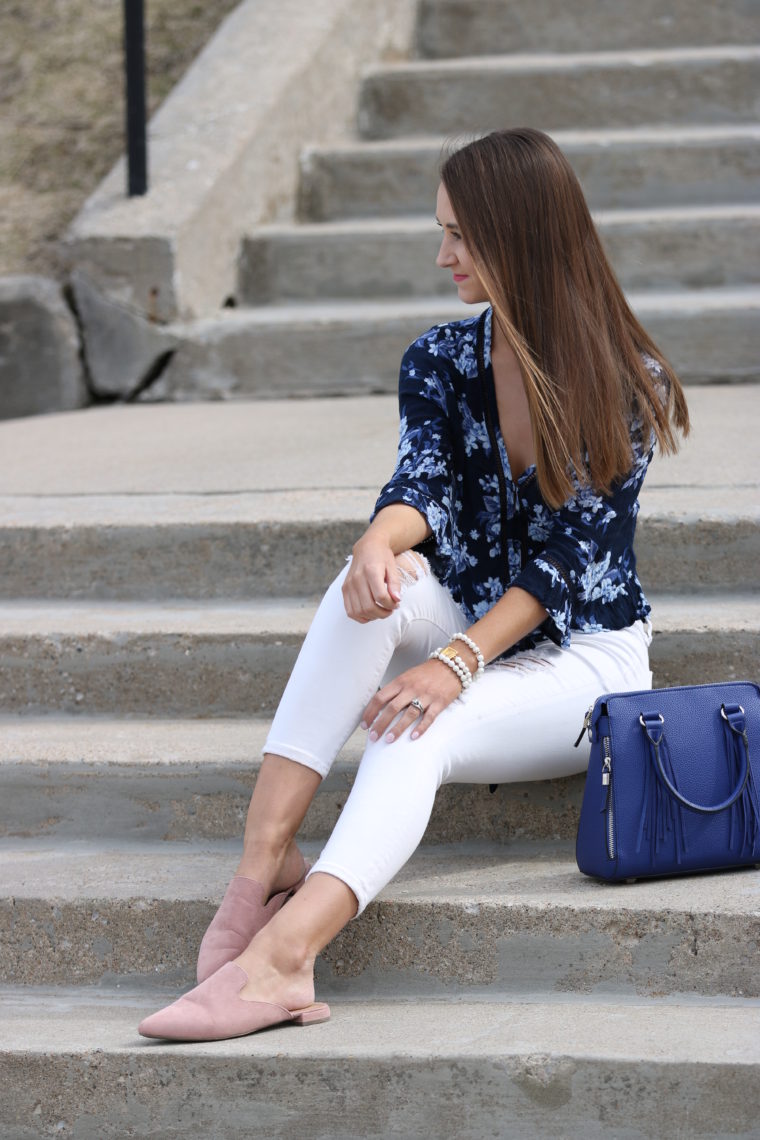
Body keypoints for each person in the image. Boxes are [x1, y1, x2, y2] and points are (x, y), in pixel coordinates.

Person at [138, 127, 689, 1041]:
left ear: (522, 237)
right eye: (442, 232)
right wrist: (376, 544)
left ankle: (282, 962)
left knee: (413, 727)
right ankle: (261, 868)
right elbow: (420, 484)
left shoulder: (626, 381)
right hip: (471, 614)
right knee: (364, 594)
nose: (443, 257)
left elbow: (567, 563)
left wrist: (460, 662)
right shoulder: (440, 358)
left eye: (461, 236)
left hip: (587, 661)